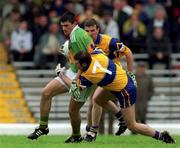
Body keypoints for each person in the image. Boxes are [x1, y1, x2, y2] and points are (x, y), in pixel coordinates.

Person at [27, 11, 125, 142]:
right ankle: (43, 127)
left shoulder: (77, 37)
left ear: (74, 23)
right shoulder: (77, 35)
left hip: (85, 74)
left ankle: (78, 135)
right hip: (76, 71)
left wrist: (77, 77)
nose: (64, 28)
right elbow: (87, 55)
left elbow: (89, 59)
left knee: (76, 109)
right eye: (62, 26)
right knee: (46, 92)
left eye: (66, 25)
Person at [69, 49, 175, 144]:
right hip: (119, 80)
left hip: (125, 91)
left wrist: (62, 75)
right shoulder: (96, 55)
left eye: (77, 63)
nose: (75, 64)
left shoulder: (90, 76)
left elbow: (74, 88)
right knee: (97, 100)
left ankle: (162, 136)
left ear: (83, 64)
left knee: (132, 126)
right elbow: (98, 51)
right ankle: (116, 120)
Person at [84, 18, 135, 136]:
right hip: (98, 75)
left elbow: (128, 52)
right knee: (93, 101)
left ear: (98, 29)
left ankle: (92, 131)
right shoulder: (85, 43)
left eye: (92, 30)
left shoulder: (110, 42)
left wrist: (131, 73)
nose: (90, 34)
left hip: (113, 76)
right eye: (87, 31)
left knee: (95, 101)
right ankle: (92, 129)